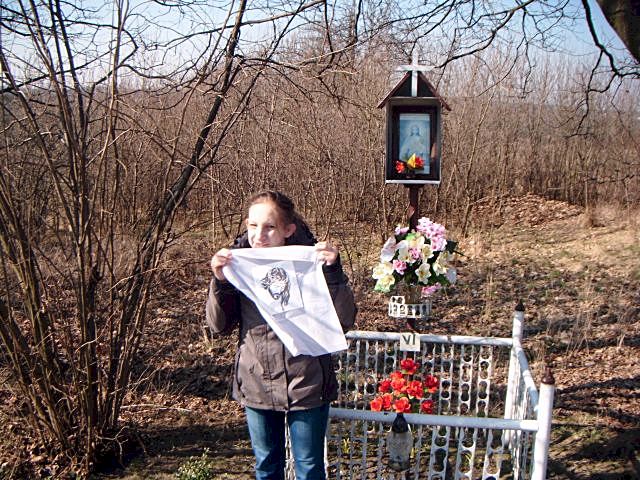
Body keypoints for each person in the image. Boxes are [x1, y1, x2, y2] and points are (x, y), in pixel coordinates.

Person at [205, 191, 357, 480]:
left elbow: (343, 321)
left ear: (288, 230)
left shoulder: (312, 263)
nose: (259, 235)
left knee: (309, 467)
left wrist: (333, 273)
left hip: (307, 381)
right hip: (257, 381)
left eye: (270, 227)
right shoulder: (237, 265)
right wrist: (221, 282)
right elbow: (218, 326)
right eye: (253, 225)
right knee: (266, 466)